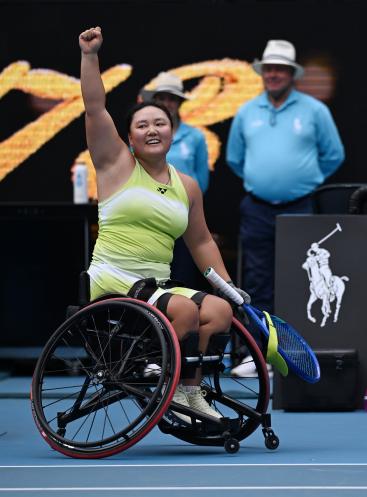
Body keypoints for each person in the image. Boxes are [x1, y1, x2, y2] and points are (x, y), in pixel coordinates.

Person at [79, 27, 248, 423]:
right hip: (113, 279)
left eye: (160, 123)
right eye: (142, 125)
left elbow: (202, 240)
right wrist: (89, 56)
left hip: (154, 286)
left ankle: (191, 392)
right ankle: (166, 384)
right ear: (129, 138)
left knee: (220, 312)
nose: (152, 129)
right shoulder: (116, 165)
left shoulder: (186, 186)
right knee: (186, 313)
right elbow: (94, 107)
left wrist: (229, 288)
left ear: (173, 132)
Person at [226, 39, 344, 377]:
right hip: (257, 207)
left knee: (300, 281)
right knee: (257, 282)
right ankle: (259, 355)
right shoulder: (248, 111)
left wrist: (305, 180)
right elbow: (235, 158)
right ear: (263, 73)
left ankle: (294, 354)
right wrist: (261, 180)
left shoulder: (314, 110)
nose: (274, 74)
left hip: (301, 206)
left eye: (281, 69)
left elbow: (334, 154)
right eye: (269, 69)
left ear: (292, 74)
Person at [143, 72, 210, 290]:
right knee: (150, 278)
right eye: (161, 98)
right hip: (149, 217)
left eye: (171, 98)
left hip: (184, 218)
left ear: (179, 102)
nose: (166, 103)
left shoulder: (196, 137)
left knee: (183, 277)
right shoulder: (141, 135)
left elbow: (202, 180)